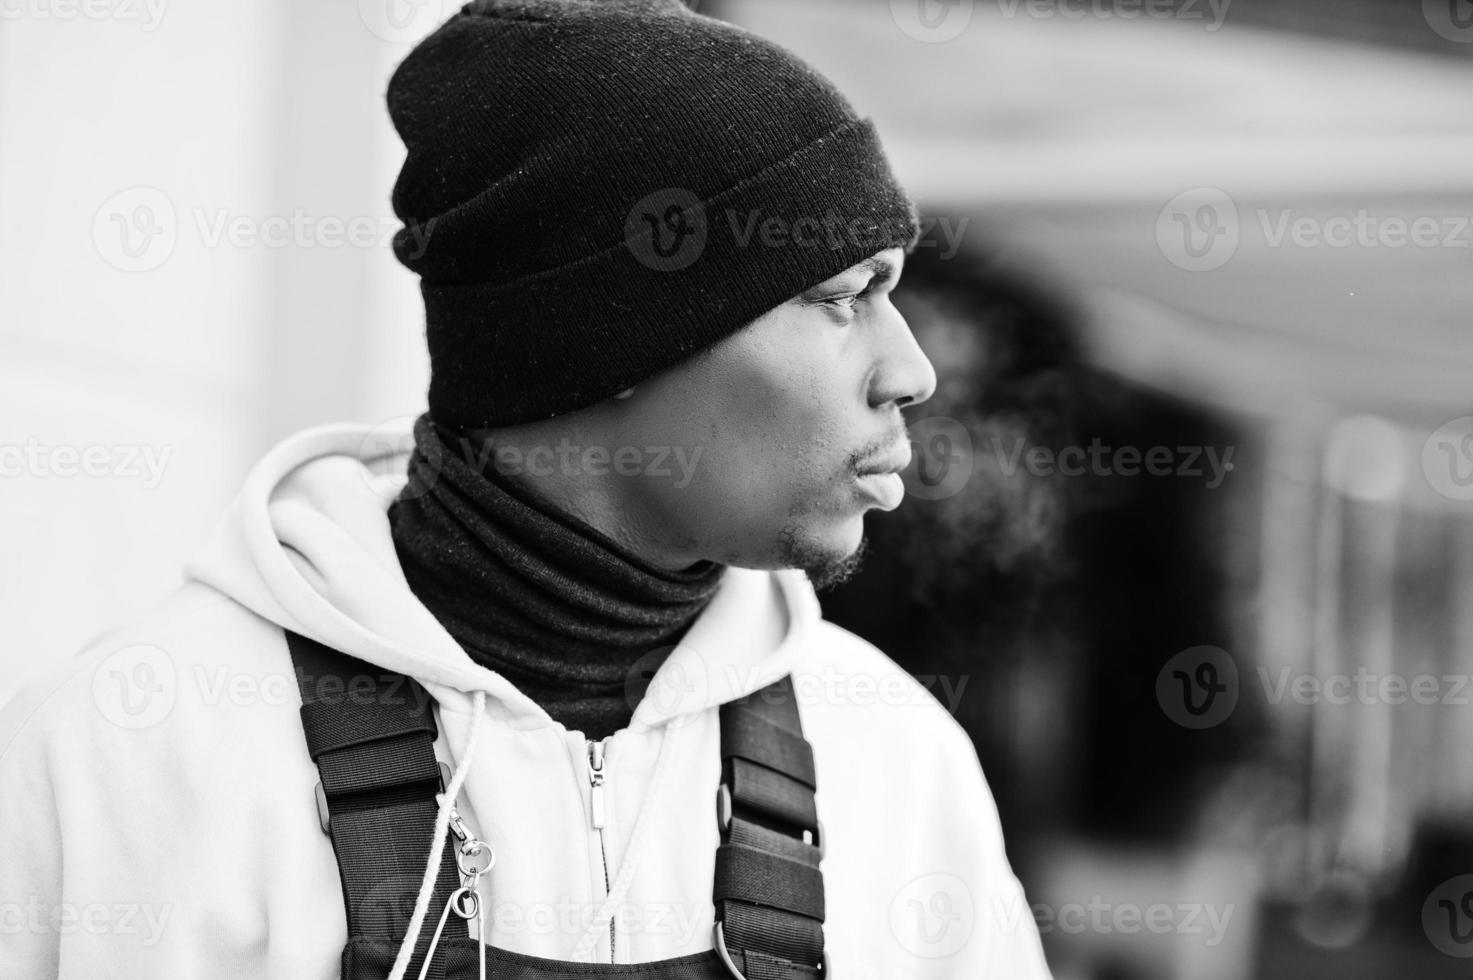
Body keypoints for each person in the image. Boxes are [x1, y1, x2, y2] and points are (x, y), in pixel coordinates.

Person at [0, 1, 1053, 977]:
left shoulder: (893, 758)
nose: (910, 368)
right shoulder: (127, 759)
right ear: (615, 335)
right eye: (841, 294)